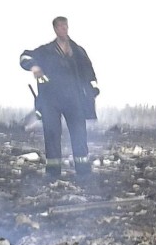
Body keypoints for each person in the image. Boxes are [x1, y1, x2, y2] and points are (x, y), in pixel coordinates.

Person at [20, 17, 100, 181]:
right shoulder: (45, 51)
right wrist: (34, 66)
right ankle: (53, 172)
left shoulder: (78, 51)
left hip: (74, 99)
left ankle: (83, 172)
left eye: (65, 26)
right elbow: (24, 57)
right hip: (51, 99)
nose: (64, 29)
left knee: (79, 134)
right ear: (55, 29)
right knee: (51, 134)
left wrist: (93, 90)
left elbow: (89, 72)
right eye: (60, 26)